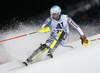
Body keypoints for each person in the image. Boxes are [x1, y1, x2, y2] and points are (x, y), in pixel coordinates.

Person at [23, 5, 89, 66]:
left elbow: (76, 27)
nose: (55, 16)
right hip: (54, 36)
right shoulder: (50, 18)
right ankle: (30, 59)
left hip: (64, 36)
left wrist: (83, 37)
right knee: (46, 45)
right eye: (53, 15)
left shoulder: (66, 18)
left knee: (61, 32)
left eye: (56, 14)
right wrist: (45, 29)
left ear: (59, 13)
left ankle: (51, 51)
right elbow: (43, 25)